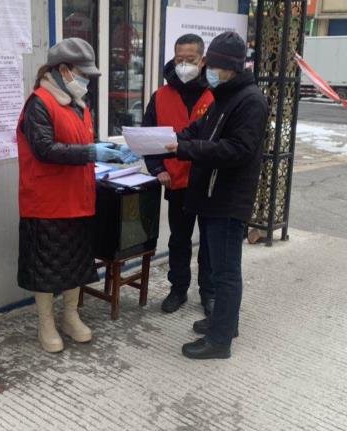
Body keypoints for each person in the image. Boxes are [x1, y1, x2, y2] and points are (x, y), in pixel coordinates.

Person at [16, 37, 135, 353]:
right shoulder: (39, 103)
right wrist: (92, 152)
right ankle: (45, 323)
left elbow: (79, 142)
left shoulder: (78, 105)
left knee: (76, 264)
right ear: (63, 69)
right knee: (45, 268)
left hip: (79, 200)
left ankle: (70, 315)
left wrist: (103, 148)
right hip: (46, 203)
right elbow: (45, 149)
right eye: (82, 74)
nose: (86, 81)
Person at [164, 31, 268, 360]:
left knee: (225, 272)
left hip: (227, 199)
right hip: (211, 195)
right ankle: (224, 322)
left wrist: (186, 149)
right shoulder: (224, 95)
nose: (207, 70)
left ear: (230, 67)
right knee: (220, 268)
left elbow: (237, 150)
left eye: (213, 66)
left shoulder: (250, 101)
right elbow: (200, 129)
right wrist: (172, 139)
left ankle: (220, 340)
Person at [142, 34, 215, 316]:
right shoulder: (161, 96)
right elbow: (147, 137)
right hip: (176, 181)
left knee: (209, 241)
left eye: (190, 60)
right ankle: (178, 288)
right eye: (179, 59)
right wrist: (157, 168)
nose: (184, 65)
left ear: (202, 60)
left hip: (209, 182)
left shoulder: (216, 94)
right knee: (179, 240)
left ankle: (209, 292)